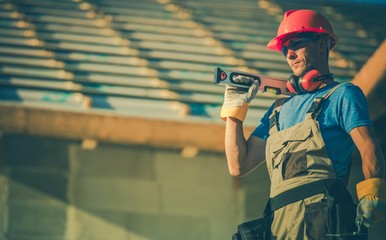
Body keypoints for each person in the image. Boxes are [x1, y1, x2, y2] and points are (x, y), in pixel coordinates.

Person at [221, 9, 386, 239]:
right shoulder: (278, 109)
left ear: (322, 44)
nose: (289, 54)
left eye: (296, 44)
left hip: (322, 223)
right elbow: (239, 165)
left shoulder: (342, 95)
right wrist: (233, 113)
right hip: (280, 227)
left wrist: (372, 194)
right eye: (284, 49)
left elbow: (368, 146)